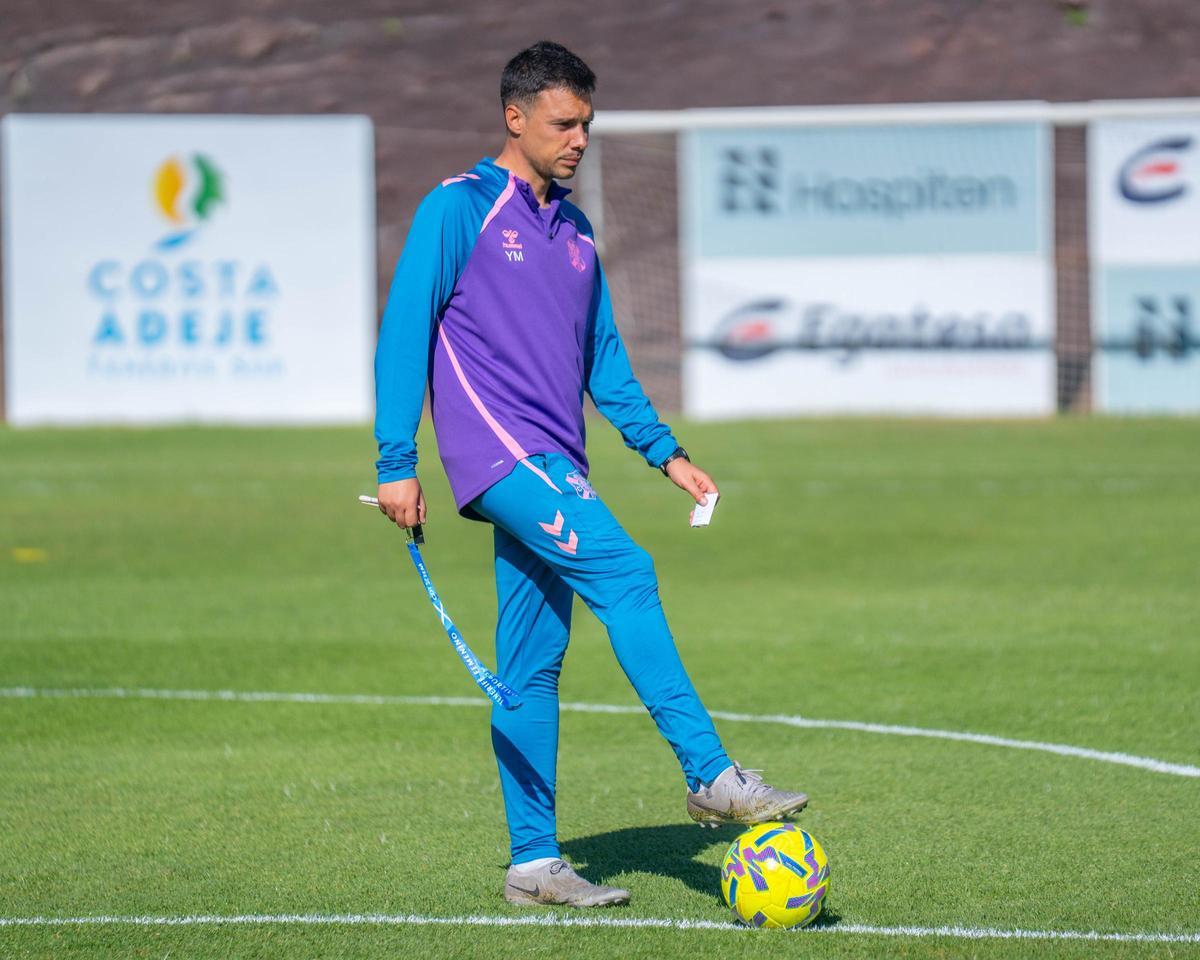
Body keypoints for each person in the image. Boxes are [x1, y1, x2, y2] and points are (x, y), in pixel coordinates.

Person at [373, 40, 808, 908]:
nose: (579, 138)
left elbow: (604, 363)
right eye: (564, 122)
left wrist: (666, 454)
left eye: (587, 124)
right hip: (500, 455)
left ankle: (534, 865)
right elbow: (403, 334)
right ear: (516, 117)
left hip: (556, 462)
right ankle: (711, 775)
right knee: (626, 570)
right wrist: (395, 461)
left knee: (532, 664)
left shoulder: (573, 232)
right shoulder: (457, 209)